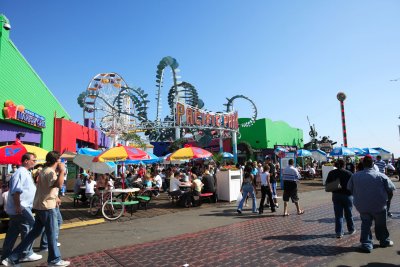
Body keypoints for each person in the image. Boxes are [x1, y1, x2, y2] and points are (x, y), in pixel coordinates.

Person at [3, 150, 70, 266]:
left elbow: (46, 188)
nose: (34, 162)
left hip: (39, 205)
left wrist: (55, 196)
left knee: (33, 233)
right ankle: (54, 259)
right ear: (56, 160)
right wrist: (63, 171)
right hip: (46, 206)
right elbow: (58, 184)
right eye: (60, 160)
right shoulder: (49, 172)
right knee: (51, 233)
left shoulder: (43, 171)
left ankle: (12, 257)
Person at [347, 155, 396, 253]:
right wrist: (387, 200)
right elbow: (391, 190)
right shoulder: (381, 175)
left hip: (362, 206)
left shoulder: (355, 176)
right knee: (381, 224)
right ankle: (383, 241)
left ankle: (366, 244)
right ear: (372, 164)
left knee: (365, 224)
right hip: (379, 205)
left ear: (363, 164)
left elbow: (349, 189)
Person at [1, 153, 43, 265]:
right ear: (25, 161)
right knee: (32, 228)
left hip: (22, 206)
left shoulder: (25, 172)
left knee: (14, 231)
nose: (35, 162)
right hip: (21, 207)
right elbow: (16, 190)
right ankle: (25, 253)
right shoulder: (20, 173)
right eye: (33, 160)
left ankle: (7, 255)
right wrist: (18, 206)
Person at [325, 159, 355, 238]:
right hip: (347, 195)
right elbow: (353, 185)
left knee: (338, 215)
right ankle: (351, 229)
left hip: (336, 195)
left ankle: (339, 232)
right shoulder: (349, 173)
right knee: (349, 213)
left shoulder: (331, 173)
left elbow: (327, 183)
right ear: (344, 165)